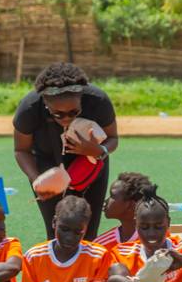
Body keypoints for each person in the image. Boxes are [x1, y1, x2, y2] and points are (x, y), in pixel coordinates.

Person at [13, 62, 118, 240]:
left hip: (90, 166)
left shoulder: (98, 101)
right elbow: (21, 150)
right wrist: (36, 179)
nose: (66, 118)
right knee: (56, 231)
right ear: (45, 104)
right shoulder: (30, 107)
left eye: (73, 112)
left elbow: (113, 139)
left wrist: (98, 150)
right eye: (58, 114)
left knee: (87, 232)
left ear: (82, 99)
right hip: (48, 168)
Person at [94, 172, 153, 249]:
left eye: (112, 196)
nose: (106, 200)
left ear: (131, 205)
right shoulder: (101, 246)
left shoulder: (156, 243)